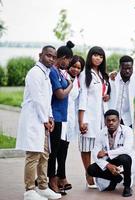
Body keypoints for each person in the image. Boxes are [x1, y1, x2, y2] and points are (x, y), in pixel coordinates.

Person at [16, 45, 61, 200]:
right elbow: (36, 100)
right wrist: (45, 120)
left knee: (44, 155)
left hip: (42, 120)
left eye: (54, 57)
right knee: (33, 155)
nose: (51, 59)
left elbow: (46, 100)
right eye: (48, 55)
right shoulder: (35, 73)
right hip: (34, 120)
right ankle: (29, 190)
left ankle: (43, 187)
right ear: (40, 55)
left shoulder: (46, 74)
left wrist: (50, 117)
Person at [78, 46, 111, 188]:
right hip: (88, 117)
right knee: (86, 148)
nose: (98, 58)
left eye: (101, 56)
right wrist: (82, 120)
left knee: (97, 147)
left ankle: (98, 173)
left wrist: (106, 96)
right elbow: (83, 97)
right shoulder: (85, 74)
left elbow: (102, 92)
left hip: (100, 117)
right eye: (95, 55)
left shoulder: (102, 75)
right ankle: (88, 174)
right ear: (90, 56)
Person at [87, 109, 135, 197]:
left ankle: (127, 187)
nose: (111, 123)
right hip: (110, 161)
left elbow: (127, 149)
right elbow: (96, 153)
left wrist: (106, 153)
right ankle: (116, 179)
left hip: (124, 159)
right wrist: (108, 165)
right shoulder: (101, 133)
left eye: (113, 120)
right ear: (105, 121)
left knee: (125, 158)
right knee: (91, 169)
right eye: (108, 120)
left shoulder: (127, 130)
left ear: (119, 120)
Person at [47, 41, 74, 194]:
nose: (68, 64)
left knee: (57, 150)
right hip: (55, 116)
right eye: (68, 61)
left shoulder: (58, 72)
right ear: (63, 57)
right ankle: (52, 181)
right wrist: (70, 84)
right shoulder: (52, 72)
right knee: (53, 151)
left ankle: (54, 178)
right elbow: (60, 94)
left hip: (61, 117)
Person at [57, 55, 85, 194]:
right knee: (58, 150)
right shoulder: (62, 76)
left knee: (64, 149)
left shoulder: (79, 80)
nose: (75, 69)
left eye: (79, 67)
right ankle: (61, 177)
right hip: (60, 117)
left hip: (70, 119)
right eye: (74, 66)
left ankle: (59, 176)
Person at [108, 55, 135, 128]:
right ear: (120, 67)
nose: (127, 71)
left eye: (130, 68)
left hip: (127, 119)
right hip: (112, 118)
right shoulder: (112, 78)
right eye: (125, 68)